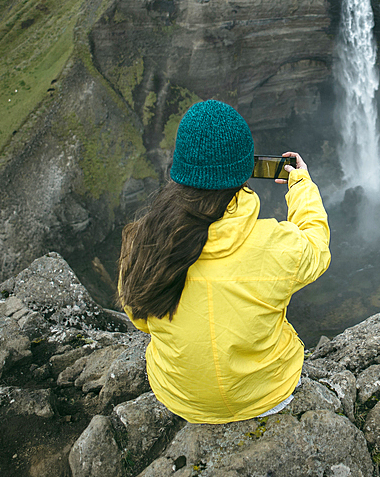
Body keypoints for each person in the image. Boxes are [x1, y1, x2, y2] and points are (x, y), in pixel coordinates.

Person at [117, 99, 331, 423]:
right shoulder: (274, 245)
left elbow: (140, 318)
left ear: (180, 171)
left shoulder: (142, 241)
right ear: (245, 172)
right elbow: (317, 247)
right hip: (268, 396)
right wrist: (300, 184)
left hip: (180, 398)